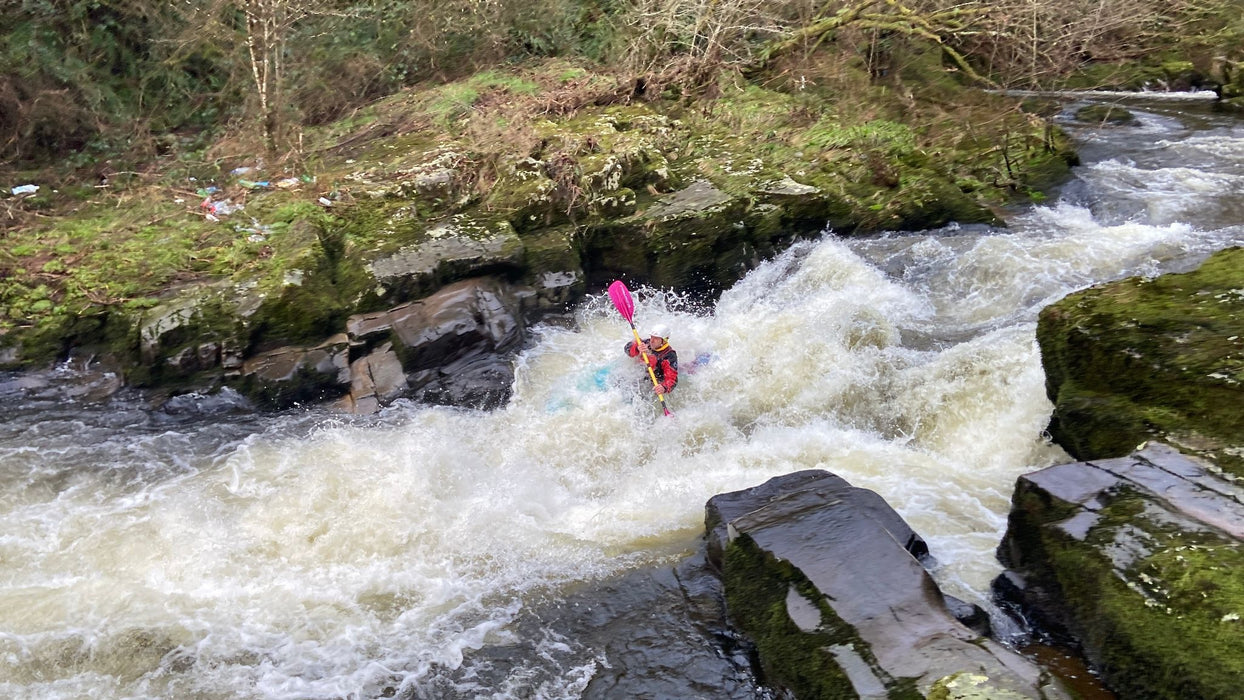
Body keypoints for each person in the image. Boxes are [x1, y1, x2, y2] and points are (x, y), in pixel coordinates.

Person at [624, 323, 678, 395]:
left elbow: (672, 379)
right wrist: (636, 348)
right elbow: (627, 349)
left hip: (652, 382)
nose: (652, 341)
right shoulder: (646, 343)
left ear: (664, 340)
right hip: (638, 375)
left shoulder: (669, 356)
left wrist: (664, 387)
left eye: (656, 338)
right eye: (651, 337)